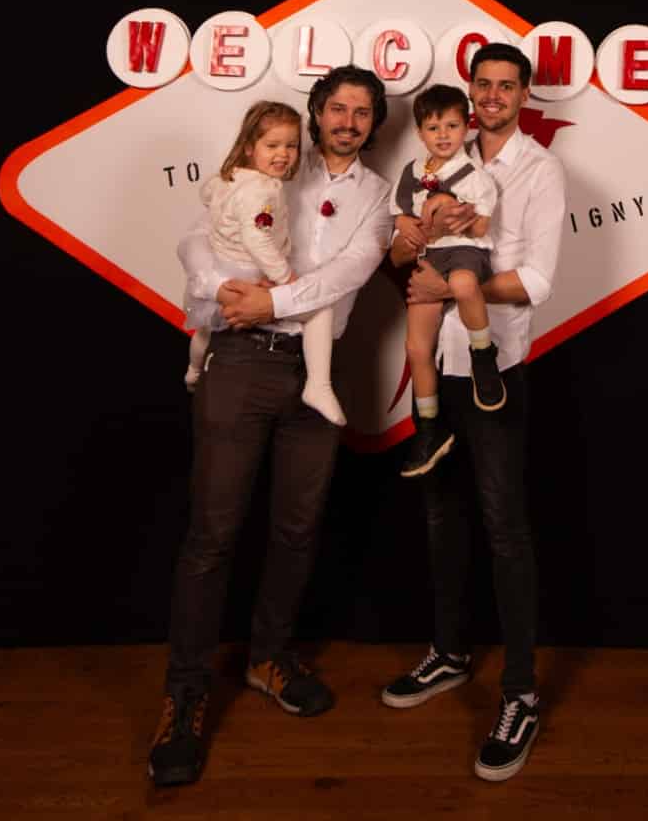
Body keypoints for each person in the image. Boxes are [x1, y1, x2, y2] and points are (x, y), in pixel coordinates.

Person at [149, 65, 393, 788]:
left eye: (362, 112)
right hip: (238, 361)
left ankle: (267, 657)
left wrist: (274, 299)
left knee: (296, 529)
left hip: (314, 372)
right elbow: (196, 238)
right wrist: (218, 287)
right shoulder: (274, 156)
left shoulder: (380, 196)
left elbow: (350, 272)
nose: (347, 121)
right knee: (212, 536)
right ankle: (185, 696)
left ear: (374, 123)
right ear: (316, 112)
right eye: (337, 107)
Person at [379, 43, 566, 783]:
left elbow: (538, 279)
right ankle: (451, 652)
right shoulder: (437, 157)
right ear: (467, 94)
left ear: (523, 94)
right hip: (436, 361)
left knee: (503, 524)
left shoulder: (538, 170)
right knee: (439, 510)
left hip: (495, 366)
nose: (492, 96)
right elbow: (399, 259)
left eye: (506, 87)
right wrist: (414, 244)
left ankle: (521, 693)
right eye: (482, 85)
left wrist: (454, 288)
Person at [183, 99, 345, 426]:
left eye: (291, 146)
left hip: (222, 267)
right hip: (247, 275)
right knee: (320, 308)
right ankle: (318, 385)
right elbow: (257, 239)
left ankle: (193, 371)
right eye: (272, 145)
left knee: (207, 328)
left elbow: (207, 194)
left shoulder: (228, 179)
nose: (283, 154)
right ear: (248, 147)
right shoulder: (261, 192)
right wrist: (286, 278)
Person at [389, 84, 503, 480]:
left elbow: (483, 225)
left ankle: (483, 354)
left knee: (466, 286)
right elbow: (400, 216)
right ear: (419, 132)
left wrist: (457, 214)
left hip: (464, 250)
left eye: (452, 126)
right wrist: (408, 224)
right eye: (433, 127)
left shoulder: (473, 175)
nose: (443, 135)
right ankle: (428, 427)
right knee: (416, 347)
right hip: (429, 256)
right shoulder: (411, 172)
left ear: (466, 127)